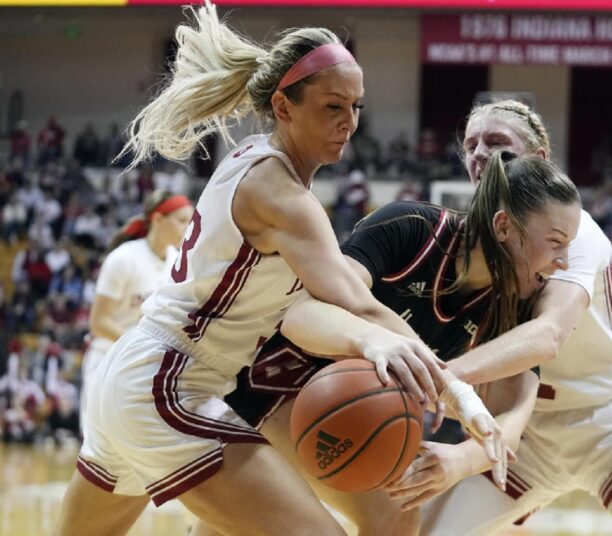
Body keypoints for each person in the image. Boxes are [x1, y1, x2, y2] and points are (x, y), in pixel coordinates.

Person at [54, 3, 493, 535]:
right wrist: (455, 392)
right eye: (333, 105)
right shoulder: (280, 193)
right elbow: (355, 303)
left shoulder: (255, 160)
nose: (349, 122)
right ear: (283, 105)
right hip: (168, 384)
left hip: (136, 375)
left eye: (356, 106)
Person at [195, 150, 580, 536]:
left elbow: (510, 420)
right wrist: (373, 342)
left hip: (352, 408)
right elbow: (300, 317)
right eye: (556, 242)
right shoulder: (412, 228)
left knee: (394, 517)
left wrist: (460, 460)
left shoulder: (517, 303)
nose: (564, 261)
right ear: (503, 227)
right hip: (275, 377)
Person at [389, 100, 612, 536]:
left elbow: (549, 334)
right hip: (527, 434)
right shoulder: (467, 242)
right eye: (471, 144)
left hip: (610, 420)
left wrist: (444, 375)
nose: (481, 153)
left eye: (498, 143)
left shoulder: (576, 233)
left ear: (538, 160)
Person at [78, 189, 194, 433]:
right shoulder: (123, 259)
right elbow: (98, 322)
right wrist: (142, 347)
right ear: (158, 219)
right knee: (98, 455)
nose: (188, 227)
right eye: (182, 220)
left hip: (147, 367)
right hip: (107, 359)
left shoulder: (178, 261)